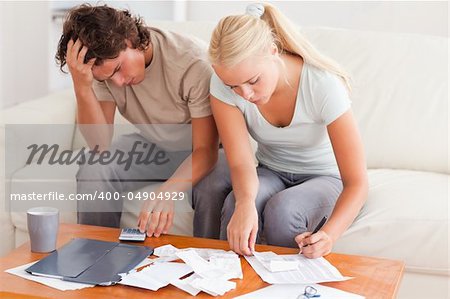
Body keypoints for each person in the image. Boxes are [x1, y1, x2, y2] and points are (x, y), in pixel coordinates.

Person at [194, 2, 368, 258]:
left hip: (323, 177)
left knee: (284, 210)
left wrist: (329, 236)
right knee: (237, 204)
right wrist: (244, 203)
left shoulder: (322, 85)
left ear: (273, 51)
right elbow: (242, 163)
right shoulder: (222, 85)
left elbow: (357, 182)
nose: (246, 95)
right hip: (270, 170)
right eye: (234, 86)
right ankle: (225, 287)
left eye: (253, 80)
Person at [55, 4, 219, 237]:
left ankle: (207, 266)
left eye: (119, 69)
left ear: (132, 39)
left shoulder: (191, 62)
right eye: (109, 77)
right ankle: (97, 256)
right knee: (95, 166)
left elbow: (206, 150)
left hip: (205, 151)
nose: (119, 82)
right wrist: (82, 86)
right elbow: (99, 144)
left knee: (213, 186)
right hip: (156, 146)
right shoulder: (105, 74)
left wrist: (167, 192)